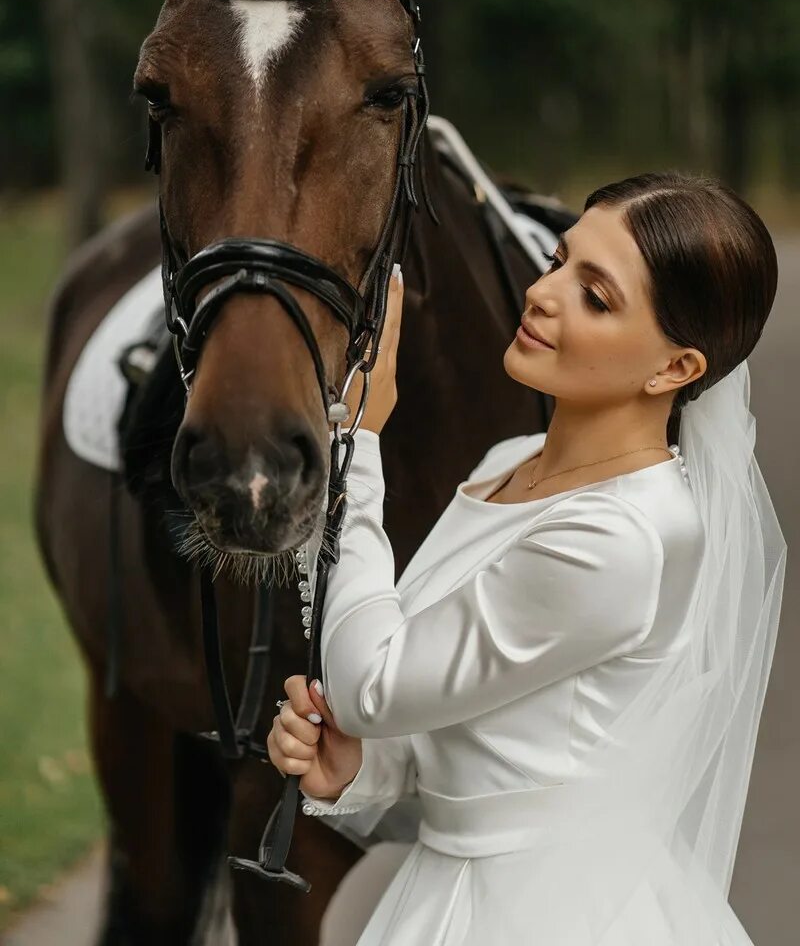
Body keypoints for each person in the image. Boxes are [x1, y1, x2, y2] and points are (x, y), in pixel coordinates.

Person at [267, 170, 787, 945]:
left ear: (675, 369)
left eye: (597, 296)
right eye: (558, 261)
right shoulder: (509, 460)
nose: (544, 294)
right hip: (451, 886)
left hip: (547, 910)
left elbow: (372, 685)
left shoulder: (623, 539)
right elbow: (474, 721)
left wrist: (357, 443)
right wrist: (363, 769)